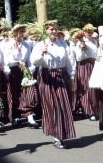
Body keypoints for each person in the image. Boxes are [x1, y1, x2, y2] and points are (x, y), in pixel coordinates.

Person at [30, 20, 77, 149]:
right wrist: (42, 52)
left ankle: (62, 133)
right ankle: (57, 136)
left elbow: (70, 60)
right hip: (47, 77)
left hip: (61, 76)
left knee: (63, 105)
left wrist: (72, 76)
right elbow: (34, 62)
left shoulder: (63, 44)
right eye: (51, 29)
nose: (54, 31)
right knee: (53, 106)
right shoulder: (40, 45)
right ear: (45, 31)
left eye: (55, 29)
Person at [3, 24, 40, 127]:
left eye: (23, 32)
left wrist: (30, 70)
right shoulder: (9, 44)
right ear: (15, 33)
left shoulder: (26, 45)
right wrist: (16, 54)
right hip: (14, 71)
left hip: (24, 70)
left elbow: (29, 59)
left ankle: (30, 115)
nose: (22, 34)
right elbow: (8, 61)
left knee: (28, 92)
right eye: (20, 32)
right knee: (16, 94)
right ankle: (15, 116)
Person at [72, 23, 99, 121]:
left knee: (94, 87)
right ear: (84, 32)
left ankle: (95, 108)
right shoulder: (81, 42)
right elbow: (79, 57)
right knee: (86, 87)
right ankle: (88, 110)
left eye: (91, 31)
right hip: (84, 65)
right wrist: (83, 48)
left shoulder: (94, 41)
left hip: (93, 65)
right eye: (88, 32)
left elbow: (96, 54)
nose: (90, 33)